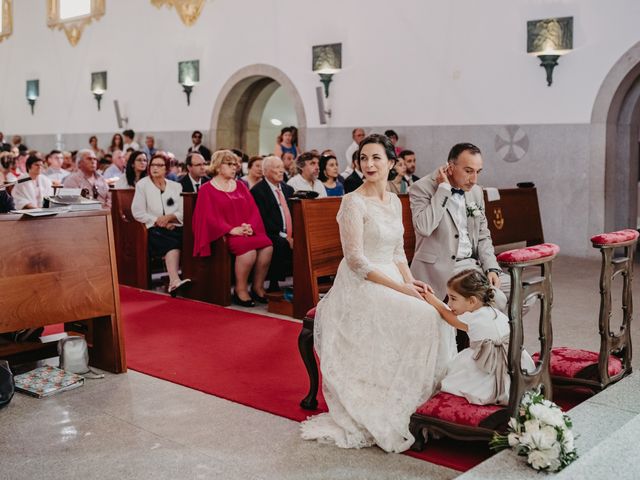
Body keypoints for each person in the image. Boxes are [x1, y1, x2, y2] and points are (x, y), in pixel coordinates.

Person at [301, 134, 450, 453]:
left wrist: (413, 282)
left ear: (391, 163)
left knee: (435, 310)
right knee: (422, 314)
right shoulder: (352, 201)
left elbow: (397, 250)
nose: (368, 164)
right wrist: (403, 289)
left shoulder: (396, 199)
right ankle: (396, 402)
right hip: (362, 282)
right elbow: (355, 260)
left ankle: (424, 401)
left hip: (393, 275)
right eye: (363, 159)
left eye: (376, 158)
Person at [409, 142, 507, 312]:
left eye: (478, 172)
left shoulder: (475, 191)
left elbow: (483, 235)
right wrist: (443, 190)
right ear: (450, 167)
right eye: (468, 171)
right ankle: (484, 335)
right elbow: (423, 228)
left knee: (518, 290)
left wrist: (491, 267)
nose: (474, 179)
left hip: (473, 264)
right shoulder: (422, 187)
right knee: (495, 299)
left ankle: (487, 334)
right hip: (442, 267)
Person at [423, 269, 535, 405]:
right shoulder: (494, 312)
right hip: (514, 363)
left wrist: (430, 298)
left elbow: (447, 315)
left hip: (490, 366)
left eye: (453, 298)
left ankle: (494, 390)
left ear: (472, 301)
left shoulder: (474, 317)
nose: (450, 304)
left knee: (455, 376)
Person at [192, 150, 273, 307]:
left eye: (235, 164)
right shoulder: (207, 189)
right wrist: (230, 230)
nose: (234, 167)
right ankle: (240, 290)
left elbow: (253, 209)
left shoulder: (241, 186)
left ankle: (257, 287)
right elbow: (207, 217)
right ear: (218, 166)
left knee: (267, 245)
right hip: (224, 234)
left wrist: (250, 226)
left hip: (245, 231)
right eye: (229, 164)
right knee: (247, 251)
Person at [132, 153, 190, 297]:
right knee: (171, 241)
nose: (155, 168)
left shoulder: (176, 186)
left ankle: (190, 279)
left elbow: (183, 211)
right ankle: (174, 280)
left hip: (174, 225)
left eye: (160, 165)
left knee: (189, 237)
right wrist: (159, 221)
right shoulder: (143, 185)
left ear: (167, 169)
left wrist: (170, 218)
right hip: (152, 229)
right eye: (153, 165)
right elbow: (138, 212)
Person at [250, 155, 294, 294]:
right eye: (277, 167)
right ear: (266, 171)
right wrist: (286, 236)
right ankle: (273, 283)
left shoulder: (288, 189)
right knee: (279, 242)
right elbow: (264, 220)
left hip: (290, 232)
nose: (281, 171)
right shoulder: (258, 191)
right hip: (270, 232)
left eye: (282, 167)